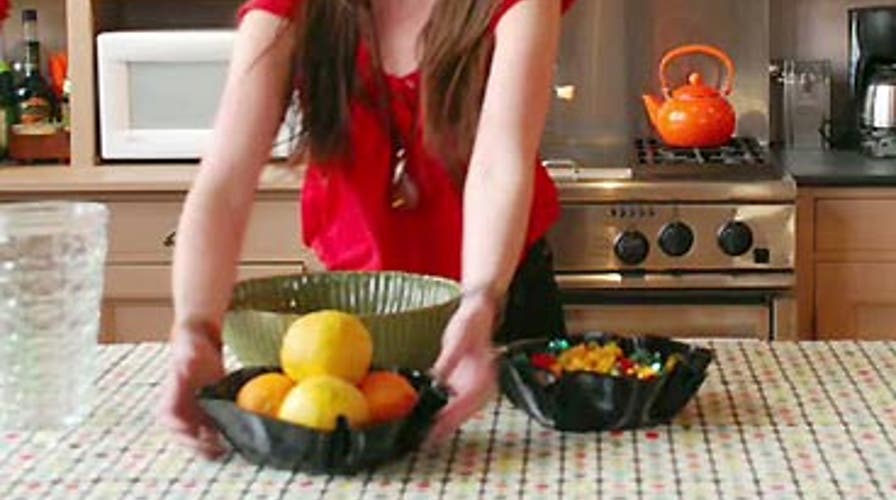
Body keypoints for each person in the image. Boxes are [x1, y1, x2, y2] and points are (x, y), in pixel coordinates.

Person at [159, 0, 575, 458]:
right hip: (357, 323)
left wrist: (480, 302)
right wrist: (196, 330)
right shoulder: (291, 10)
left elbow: (499, 161)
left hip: (500, 310)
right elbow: (225, 180)